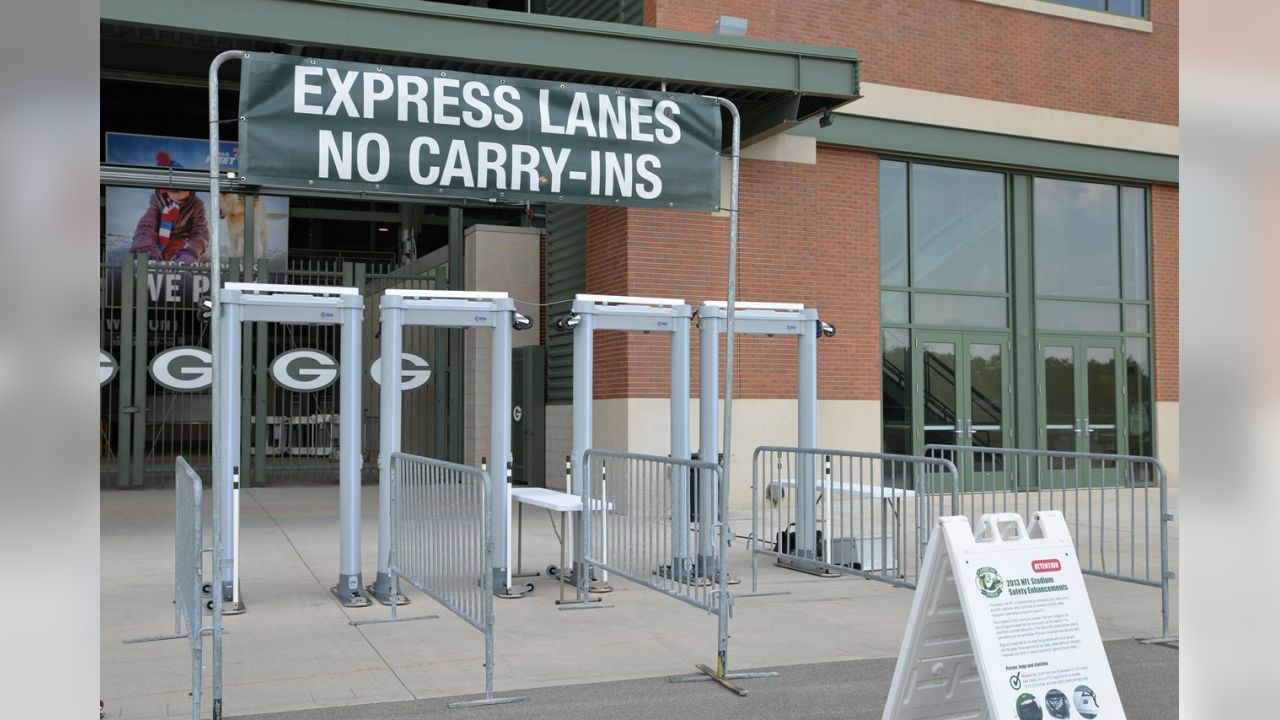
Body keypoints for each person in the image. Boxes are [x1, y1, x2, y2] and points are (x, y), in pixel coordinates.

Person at [129, 151, 209, 263]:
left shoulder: (196, 205)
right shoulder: (157, 202)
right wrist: (146, 247)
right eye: (176, 191)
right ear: (165, 191)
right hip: (159, 242)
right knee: (147, 242)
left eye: (187, 189)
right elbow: (146, 225)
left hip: (182, 245)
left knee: (178, 247)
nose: (184, 194)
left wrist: (191, 251)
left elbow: (201, 231)